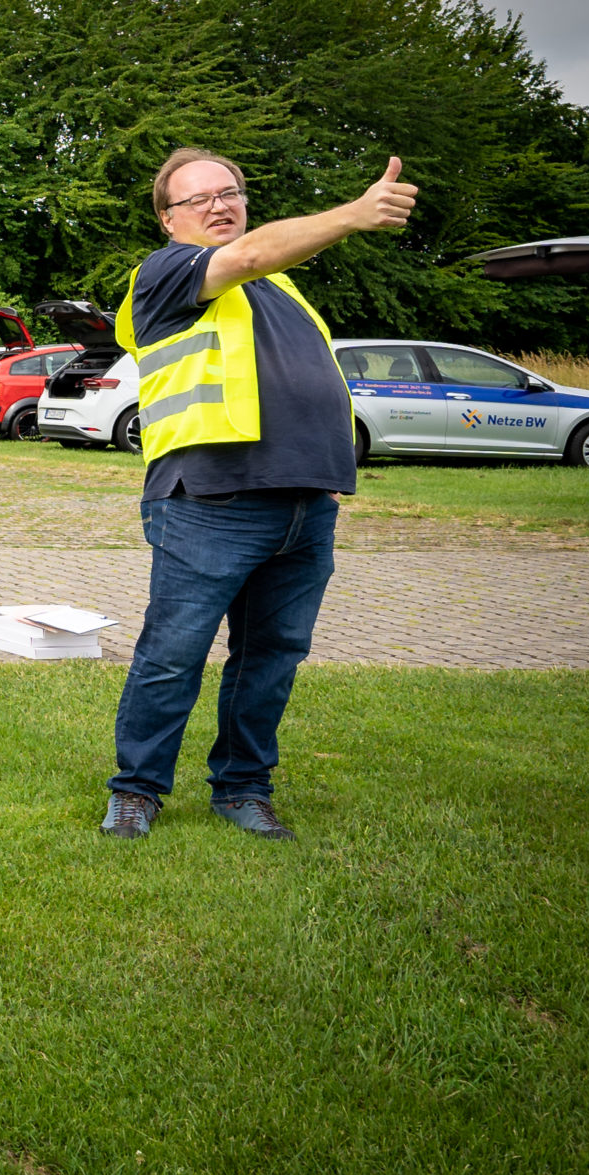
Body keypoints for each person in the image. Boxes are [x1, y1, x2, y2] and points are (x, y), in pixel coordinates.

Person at [100, 149, 416, 840]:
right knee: (173, 654)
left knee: (271, 657)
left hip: (304, 507)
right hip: (208, 500)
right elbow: (245, 257)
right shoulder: (165, 274)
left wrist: (327, 483)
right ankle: (137, 790)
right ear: (168, 219)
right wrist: (354, 215)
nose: (220, 204)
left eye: (231, 191)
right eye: (200, 198)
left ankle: (243, 787)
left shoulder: (284, 291)